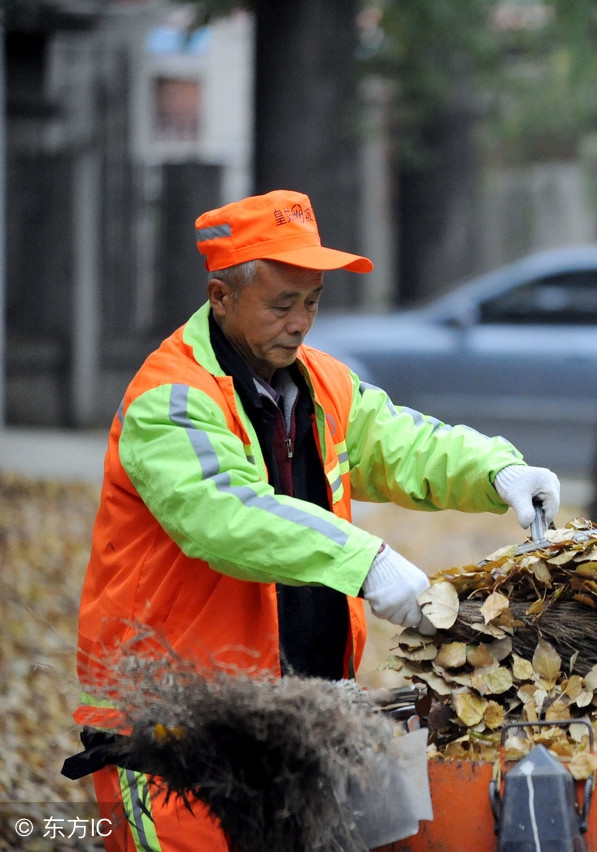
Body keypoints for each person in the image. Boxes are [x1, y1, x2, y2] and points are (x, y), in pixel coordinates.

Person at [70, 189, 560, 851]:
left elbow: (406, 442)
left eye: (313, 302)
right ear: (220, 296)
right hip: (175, 734)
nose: (301, 322)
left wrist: (499, 471)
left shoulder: (324, 384)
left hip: (301, 721)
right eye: (282, 304)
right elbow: (226, 515)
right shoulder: (170, 399)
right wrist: (370, 563)